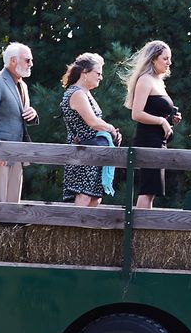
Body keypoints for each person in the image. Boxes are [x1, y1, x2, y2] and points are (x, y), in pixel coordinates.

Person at [0, 42, 37, 202]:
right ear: (12, 61)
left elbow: (18, 115)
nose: (31, 64)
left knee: (12, 206)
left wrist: (33, 114)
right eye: (27, 60)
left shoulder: (22, 86)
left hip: (17, 152)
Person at [59, 53, 120, 207]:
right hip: (82, 152)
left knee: (94, 198)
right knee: (84, 196)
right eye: (98, 73)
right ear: (84, 73)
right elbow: (92, 122)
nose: (101, 77)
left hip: (92, 151)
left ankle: (86, 232)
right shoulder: (77, 93)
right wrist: (111, 129)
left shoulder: (85, 93)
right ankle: (75, 231)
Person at [124, 40, 177, 208]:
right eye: (165, 58)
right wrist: (161, 121)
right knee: (147, 189)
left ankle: (144, 232)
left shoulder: (159, 81)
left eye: (170, 59)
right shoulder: (145, 80)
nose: (169, 62)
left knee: (152, 190)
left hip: (159, 141)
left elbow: (154, 112)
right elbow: (136, 114)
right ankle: (138, 231)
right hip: (148, 140)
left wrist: (169, 120)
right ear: (154, 59)